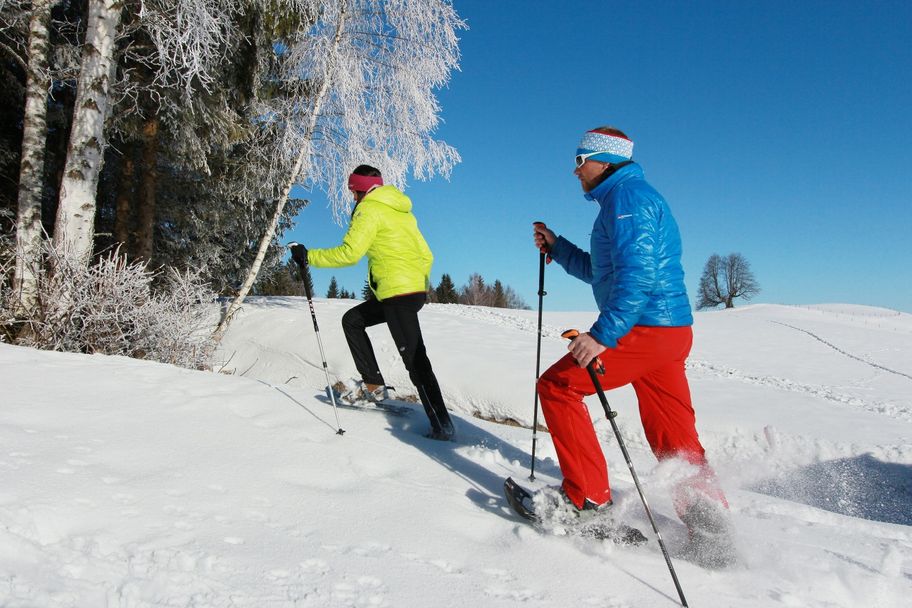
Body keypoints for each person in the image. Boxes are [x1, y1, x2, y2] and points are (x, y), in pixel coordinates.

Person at [533, 127, 730, 539]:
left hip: (643, 327)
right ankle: (712, 527)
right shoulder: (626, 198)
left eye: (579, 161)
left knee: (558, 386)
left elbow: (638, 275)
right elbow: (602, 271)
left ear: (604, 160)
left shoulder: (627, 200)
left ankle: (587, 500)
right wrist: (558, 247)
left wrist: (604, 333)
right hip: (668, 331)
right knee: (673, 432)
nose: (575, 171)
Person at [291, 165, 455, 441]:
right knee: (353, 320)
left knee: (415, 360)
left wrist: (309, 257)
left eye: (353, 192)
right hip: (409, 292)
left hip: (396, 295)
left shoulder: (369, 209)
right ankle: (374, 385)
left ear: (361, 189)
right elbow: (427, 254)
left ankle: (442, 425)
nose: (352, 198)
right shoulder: (402, 213)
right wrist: (418, 284)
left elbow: (350, 253)